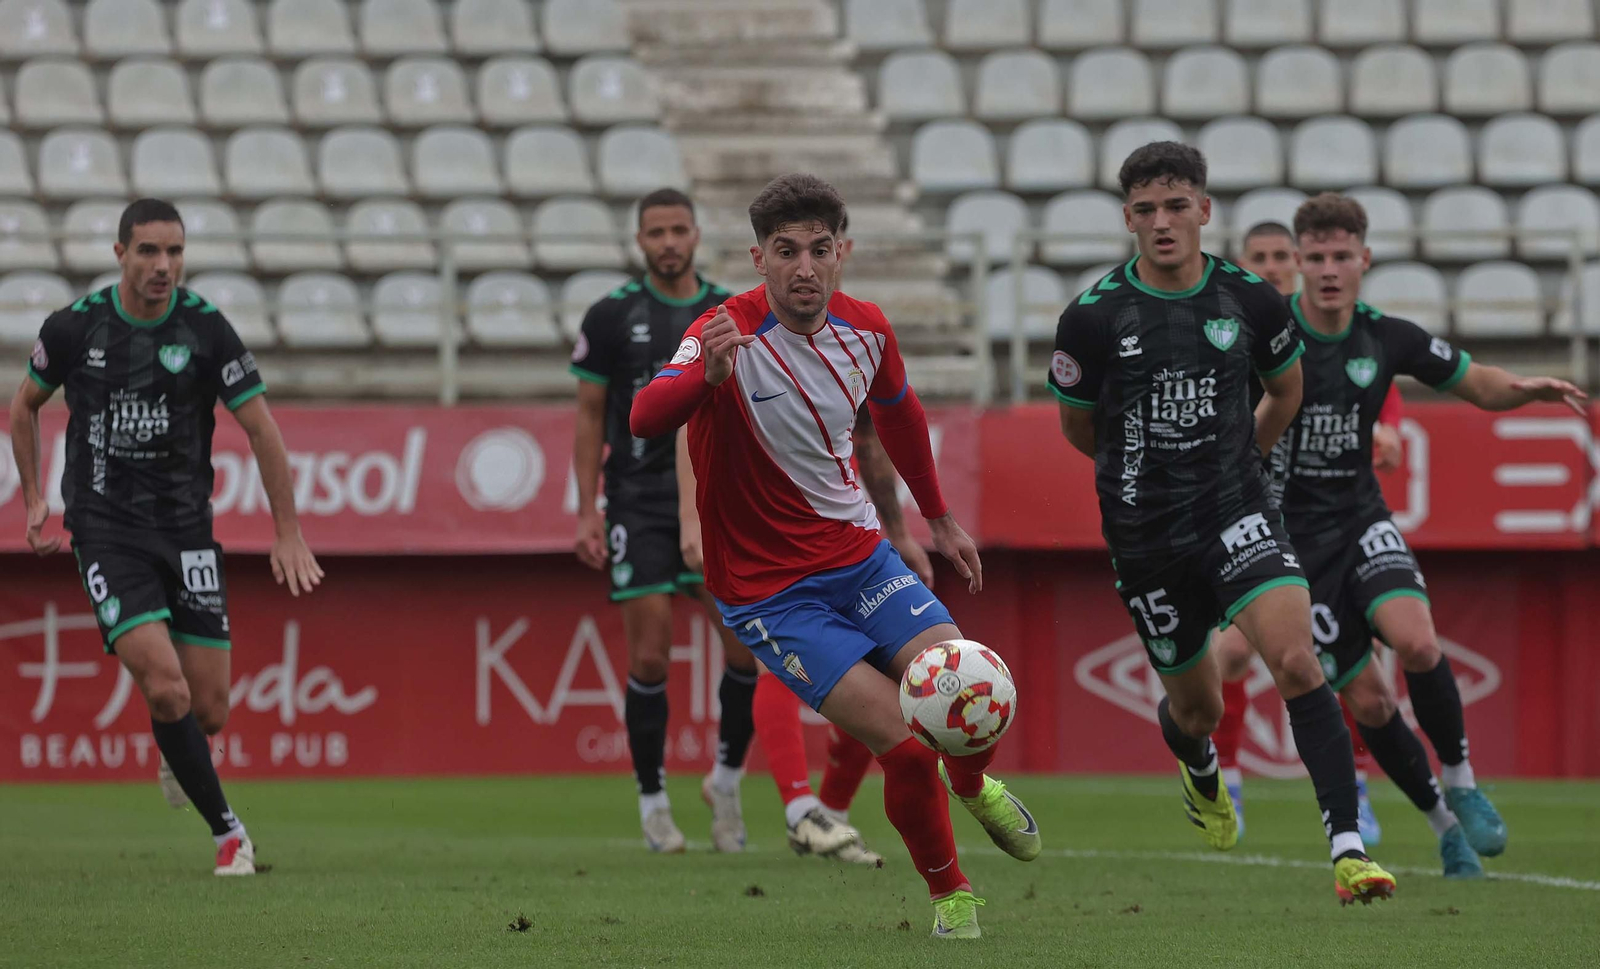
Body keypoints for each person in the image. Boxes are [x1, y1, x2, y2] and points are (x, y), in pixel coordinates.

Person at [631, 173, 1040, 939]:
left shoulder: (869, 329)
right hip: (769, 592)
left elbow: (899, 412)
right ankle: (952, 896)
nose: (805, 267)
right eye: (786, 251)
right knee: (906, 747)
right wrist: (706, 380)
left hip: (861, 557)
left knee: (964, 680)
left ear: (843, 251)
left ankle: (978, 785)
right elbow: (645, 413)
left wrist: (939, 518)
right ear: (760, 258)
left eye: (820, 249)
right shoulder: (722, 328)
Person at [1050, 143, 1395, 904]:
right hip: (1146, 539)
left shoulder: (1254, 301)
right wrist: (1145, 478)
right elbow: (1082, 430)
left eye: (1178, 206)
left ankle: (1347, 847)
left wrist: (1242, 462)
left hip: (1239, 514)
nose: (1163, 222)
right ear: (1128, 219)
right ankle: (1198, 763)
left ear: (1204, 210)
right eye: (1146, 210)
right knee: (1195, 709)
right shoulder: (1092, 318)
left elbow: (1285, 391)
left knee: (1299, 662)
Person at [1264, 192, 1587, 885]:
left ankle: (1464, 779)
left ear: (1364, 260)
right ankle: (1446, 828)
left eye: (1340, 256)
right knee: (1373, 704)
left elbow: (1476, 382)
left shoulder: (1387, 336)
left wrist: (1525, 389)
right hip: (1296, 550)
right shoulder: (1269, 335)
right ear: (1296, 262)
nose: (1327, 269)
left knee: (1417, 639)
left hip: (1360, 519)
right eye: (1314, 256)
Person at [9, 198, 322, 877]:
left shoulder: (206, 328)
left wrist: (287, 530)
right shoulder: (75, 328)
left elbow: (262, 427)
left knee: (207, 707)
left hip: (187, 529)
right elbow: (24, 406)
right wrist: (35, 497)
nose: (164, 266)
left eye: (175, 251)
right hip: (105, 527)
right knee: (165, 686)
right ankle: (230, 835)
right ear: (120, 252)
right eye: (149, 251)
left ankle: (177, 747)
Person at [570, 188, 760, 854]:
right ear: (640, 240)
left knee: (744, 648)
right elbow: (590, 414)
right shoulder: (612, 315)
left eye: (680, 229)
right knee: (649, 652)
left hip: (714, 493)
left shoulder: (729, 312)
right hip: (635, 499)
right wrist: (584, 507)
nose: (669, 241)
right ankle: (653, 801)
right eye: (657, 231)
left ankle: (727, 782)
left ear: (698, 234)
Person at [1216, 220, 1404, 842]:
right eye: (1258, 257)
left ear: (1294, 263)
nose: (1271, 267)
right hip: (1255, 512)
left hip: (1329, 519)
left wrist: (1388, 427)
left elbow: (1372, 377)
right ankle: (1229, 778)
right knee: (1237, 652)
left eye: (1279, 256)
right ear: (1242, 263)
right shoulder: (1231, 327)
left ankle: (1356, 784)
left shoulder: (1323, 328)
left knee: (1352, 654)